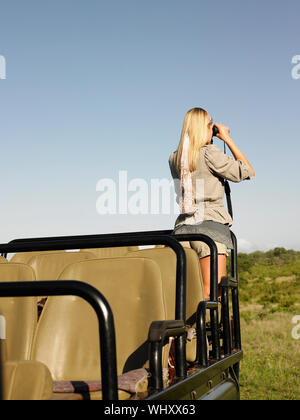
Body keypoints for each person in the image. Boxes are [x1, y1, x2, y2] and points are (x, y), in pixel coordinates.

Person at [169, 107, 255, 300]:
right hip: (209, 230)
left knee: (187, 296)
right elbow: (247, 171)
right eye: (211, 126)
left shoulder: (174, 158)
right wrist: (226, 138)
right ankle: (205, 330)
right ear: (205, 128)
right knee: (212, 294)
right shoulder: (209, 153)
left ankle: (188, 330)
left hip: (182, 231)